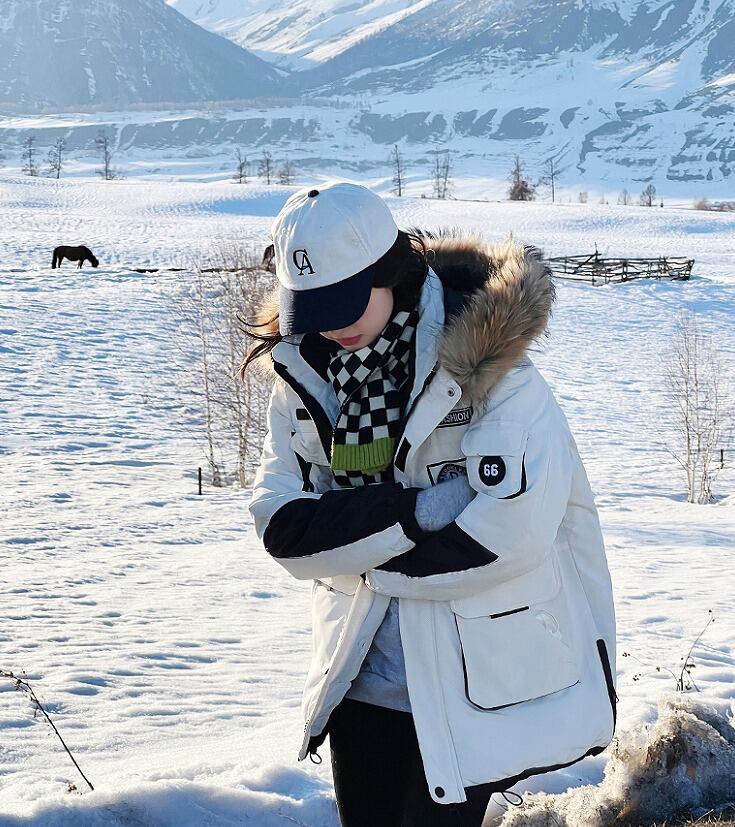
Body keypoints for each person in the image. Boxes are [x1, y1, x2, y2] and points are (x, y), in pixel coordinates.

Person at [244, 181, 617, 827]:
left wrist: (353, 550)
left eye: (346, 300)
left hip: (476, 680)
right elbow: (281, 527)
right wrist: (421, 512)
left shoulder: (495, 374)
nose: (333, 325)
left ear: (390, 271)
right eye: (315, 307)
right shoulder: (303, 381)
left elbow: (508, 536)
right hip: (357, 672)